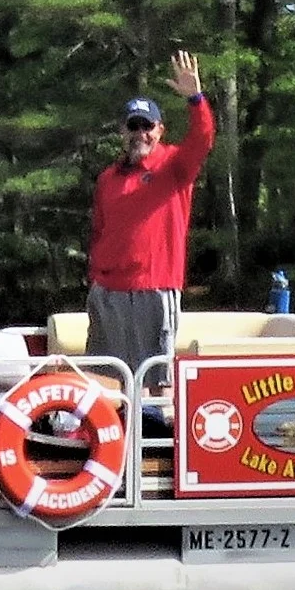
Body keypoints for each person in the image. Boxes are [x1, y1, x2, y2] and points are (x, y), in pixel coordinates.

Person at [86, 50, 215, 398]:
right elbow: (99, 231)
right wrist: (95, 277)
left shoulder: (175, 166)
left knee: (156, 380)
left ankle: (153, 432)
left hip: (154, 288)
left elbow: (202, 139)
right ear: (122, 131)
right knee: (104, 377)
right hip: (108, 292)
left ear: (160, 130)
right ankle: (112, 429)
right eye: (133, 126)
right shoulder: (108, 178)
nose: (140, 133)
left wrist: (195, 99)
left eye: (147, 126)